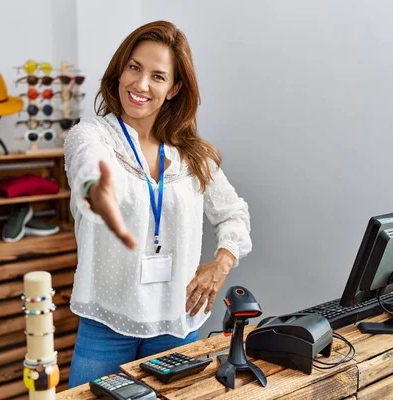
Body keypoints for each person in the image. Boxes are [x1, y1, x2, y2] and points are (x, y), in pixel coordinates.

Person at [64, 20, 252, 388]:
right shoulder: (93, 135)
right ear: (120, 70)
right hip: (106, 323)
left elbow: (234, 214)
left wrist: (222, 262)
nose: (141, 84)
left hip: (175, 323)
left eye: (157, 76)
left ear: (174, 88)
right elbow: (89, 166)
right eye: (134, 67)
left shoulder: (193, 155)